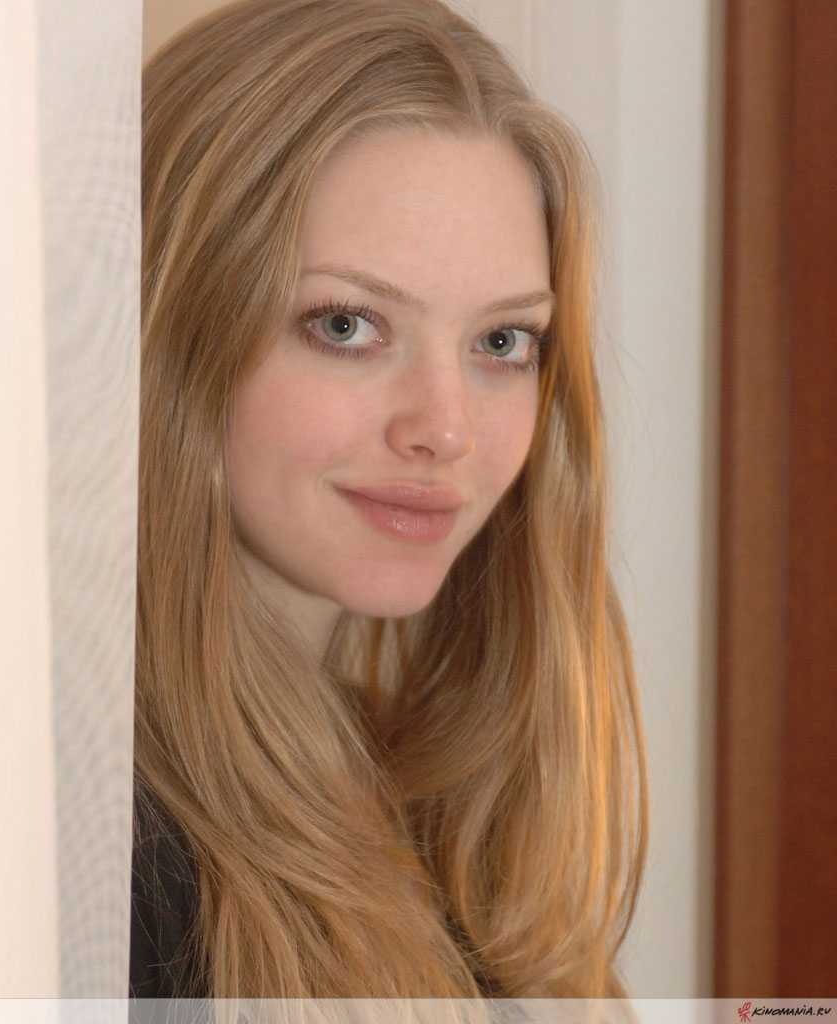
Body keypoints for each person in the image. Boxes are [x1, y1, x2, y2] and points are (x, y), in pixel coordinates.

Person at [132, 0, 649, 1005]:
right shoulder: (92, 854)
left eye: (501, 341)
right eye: (347, 325)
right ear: (172, 328)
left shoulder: (436, 815)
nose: (445, 429)